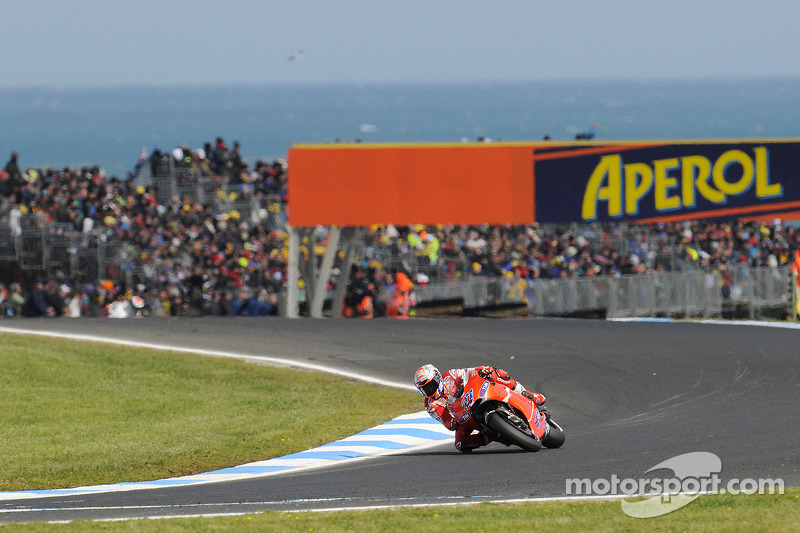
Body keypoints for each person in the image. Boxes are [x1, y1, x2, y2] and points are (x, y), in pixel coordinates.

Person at [414, 364, 547, 453]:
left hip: (474, 395)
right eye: (424, 389)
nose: (428, 391)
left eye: (430, 386)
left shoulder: (450, 375)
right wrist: (452, 423)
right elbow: (445, 420)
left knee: (497, 373)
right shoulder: (431, 405)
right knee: (460, 444)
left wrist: (482, 370)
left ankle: (528, 394)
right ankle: (489, 437)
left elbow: (469, 372)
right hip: (463, 416)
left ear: (437, 377)